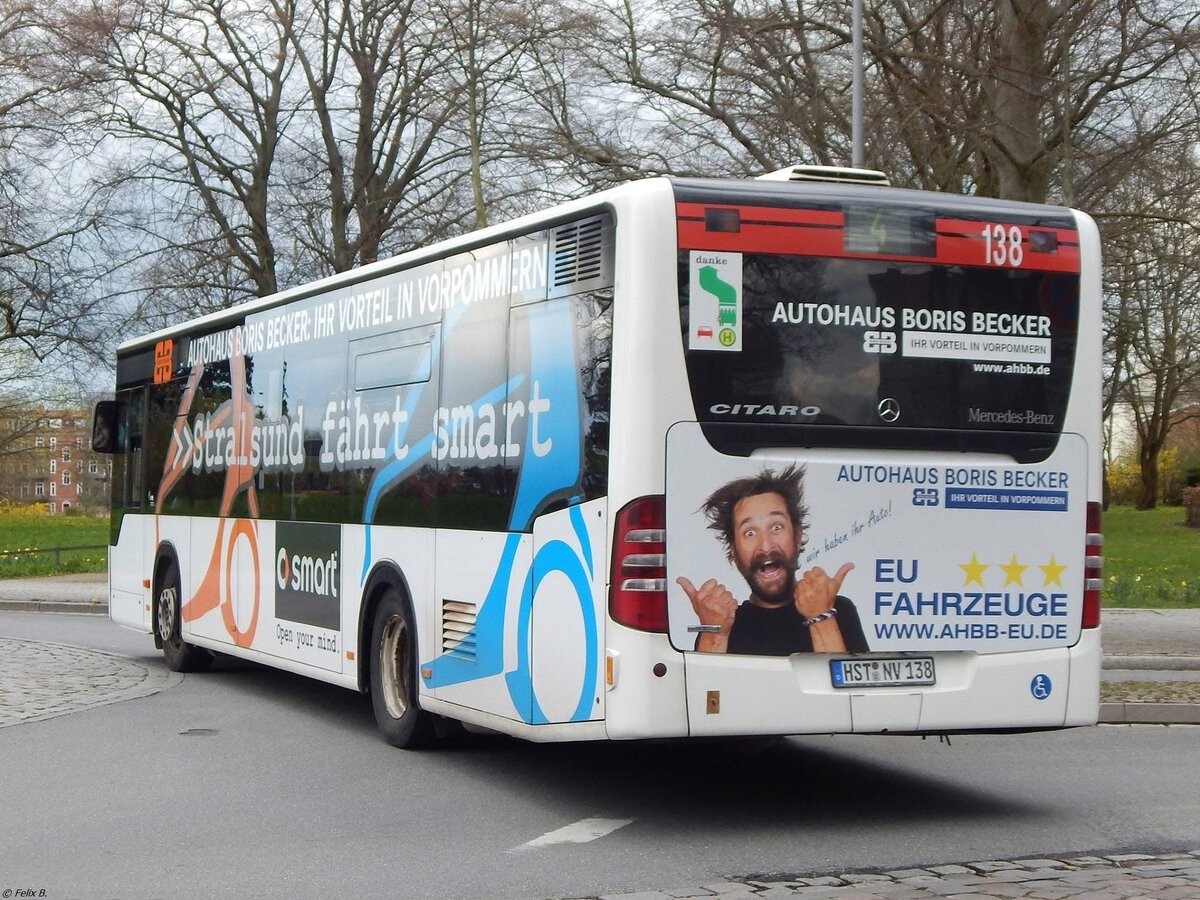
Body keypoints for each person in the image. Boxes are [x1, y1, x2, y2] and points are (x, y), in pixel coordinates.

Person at [676, 464, 869, 655]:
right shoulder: (720, 623)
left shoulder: (838, 611)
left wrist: (821, 616)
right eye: (750, 533)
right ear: (733, 549)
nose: (766, 545)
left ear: (798, 536)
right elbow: (708, 687)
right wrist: (714, 634)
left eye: (776, 527)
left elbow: (846, 687)